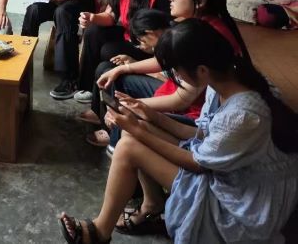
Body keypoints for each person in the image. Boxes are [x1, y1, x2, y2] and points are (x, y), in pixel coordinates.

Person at [59, 19, 298, 244]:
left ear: (201, 70)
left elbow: (198, 163)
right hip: (224, 170)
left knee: (130, 144)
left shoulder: (243, 114)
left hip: (241, 202)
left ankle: (99, 232)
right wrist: (150, 115)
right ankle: (151, 206)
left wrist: (139, 130)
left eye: (176, 69)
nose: (175, 76)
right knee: (133, 132)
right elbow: (202, 135)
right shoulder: (222, 82)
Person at [88, 0, 250, 147]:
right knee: (109, 71)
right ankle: (114, 130)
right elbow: (165, 60)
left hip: (192, 113)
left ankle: (117, 140)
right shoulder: (196, 24)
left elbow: (182, 100)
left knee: (127, 107)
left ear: (200, 1)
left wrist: (132, 106)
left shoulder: (205, 36)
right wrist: (124, 68)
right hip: (175, 92)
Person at [73, 0, 171, 103]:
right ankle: (87, 88)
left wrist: (150, 49)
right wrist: (92, 17)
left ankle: (103, 94)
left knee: (108, 51)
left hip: (149, 46)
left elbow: (166, 32)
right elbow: (111, 16)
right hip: (130, 36)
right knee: (93, 32)